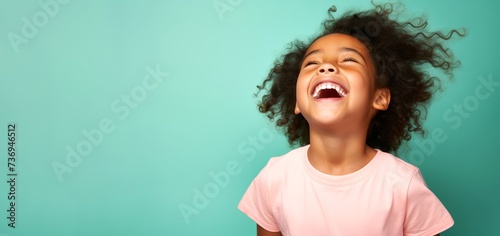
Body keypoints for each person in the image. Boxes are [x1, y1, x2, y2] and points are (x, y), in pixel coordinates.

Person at [238, 2, 465, 236]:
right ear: (296, 101)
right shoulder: (274, 177)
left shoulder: (404, 184)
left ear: (379, 97)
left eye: (348, 60)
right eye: (312, 63)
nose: (326, 67)